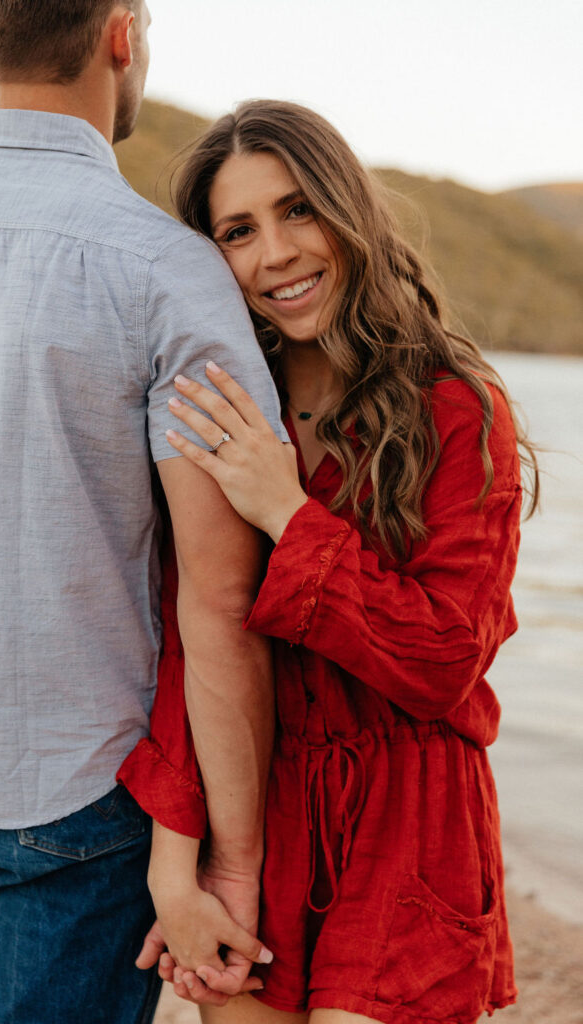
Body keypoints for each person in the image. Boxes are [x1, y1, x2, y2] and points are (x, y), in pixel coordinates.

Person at [0, 5, 287, 1021]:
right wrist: (229, 862)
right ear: (121, 35)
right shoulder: (166, 271)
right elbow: (220, 593)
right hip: (82, 788)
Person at [119, 99, 540, 1024]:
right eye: (238, 231)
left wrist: (286, 511)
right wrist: (175, 867)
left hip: (410, 821)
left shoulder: (456, 410)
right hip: (261, 814)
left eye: (297, 209)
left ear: (347, 210)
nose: (274, 253)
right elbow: (195, 646)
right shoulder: (228, 413)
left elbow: (441, 660)